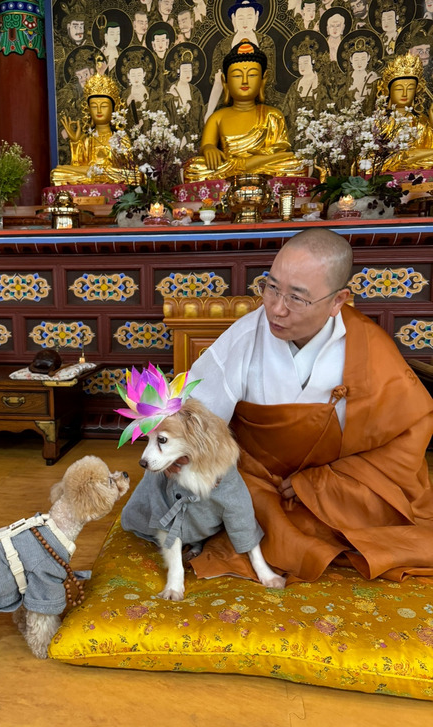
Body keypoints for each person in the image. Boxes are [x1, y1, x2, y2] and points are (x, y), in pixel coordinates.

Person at [185, 228, 433, 584]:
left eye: (297, 298)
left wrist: (321, 484)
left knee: (384, 509)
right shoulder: (243, 338)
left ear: (338, 300)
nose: (276, 308)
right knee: (216, 496)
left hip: (338, 488)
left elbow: (408, 437)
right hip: (261, 483)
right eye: (271, 287)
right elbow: (198, 423)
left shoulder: (369, 347)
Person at [183, 40, 304, 181]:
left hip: (261, 166)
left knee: (296, 162)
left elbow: (283, 151)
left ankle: (242, 169)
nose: (245, 81)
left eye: (252, 75)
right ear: (225, 81)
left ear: (263, 79)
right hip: (228, 166)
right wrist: (209, 149)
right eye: (237, 76)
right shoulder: (217, 117)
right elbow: (206, 145)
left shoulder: (273, 115)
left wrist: (252, 160)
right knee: (193, 167)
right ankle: (242, 169)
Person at [50, 73, 135, 186]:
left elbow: (128, 166)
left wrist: (108, 168)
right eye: (94, 107)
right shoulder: (86, 139)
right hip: (89, 174)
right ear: (88, 110)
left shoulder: (120, 137)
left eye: (104, 106)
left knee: (135, 176)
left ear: (114, 109)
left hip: (111, 174)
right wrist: (75, 143)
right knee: (57, 172)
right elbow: (77, 165)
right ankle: (96, 176)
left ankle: (98, 176)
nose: (99, 111)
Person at [377, 53, 433, 170]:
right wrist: (399, 157)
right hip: (391, 164)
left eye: (410, 89)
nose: (404, 94)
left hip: (419, 164)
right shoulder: (381, 122)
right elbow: (372, 156)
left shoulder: (421, 121)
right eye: (399, 89)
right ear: (388, 91)